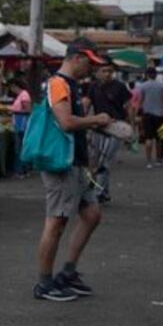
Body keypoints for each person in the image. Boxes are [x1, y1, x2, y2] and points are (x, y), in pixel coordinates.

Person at [34, 42, 113, 302]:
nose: (91, 68)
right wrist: (96, 120)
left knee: (92, 214)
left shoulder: (72, 85)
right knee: (56, 221)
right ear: (77, 58)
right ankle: (44, 283)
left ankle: (67, 272)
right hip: (61, 164)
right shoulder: (58, 84)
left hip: (75, 163)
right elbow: (66, 122)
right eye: (89, 62)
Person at [86, 61, 132, 203]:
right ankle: (104, 192)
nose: (107, 74)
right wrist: (84, 123)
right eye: (104, 71)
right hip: (97, 127)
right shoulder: (93, 87)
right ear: (97, 72)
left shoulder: (119, 87)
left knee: (104, 161)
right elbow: (87, 104)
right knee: (94, 160)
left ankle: (99, 192)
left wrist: (130, 128)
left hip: (116, 128)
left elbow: (129, 106)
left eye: (109, 71)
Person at [136, 67, 163, 168]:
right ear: (155, 75)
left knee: (148, 138)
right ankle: (158, 160)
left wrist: (138, 113)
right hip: (159, 114)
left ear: (147, 75)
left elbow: (140, 101)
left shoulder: (142, 86)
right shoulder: (162, 86)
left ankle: (149, 161)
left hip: (147, 114)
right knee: (159, 139)